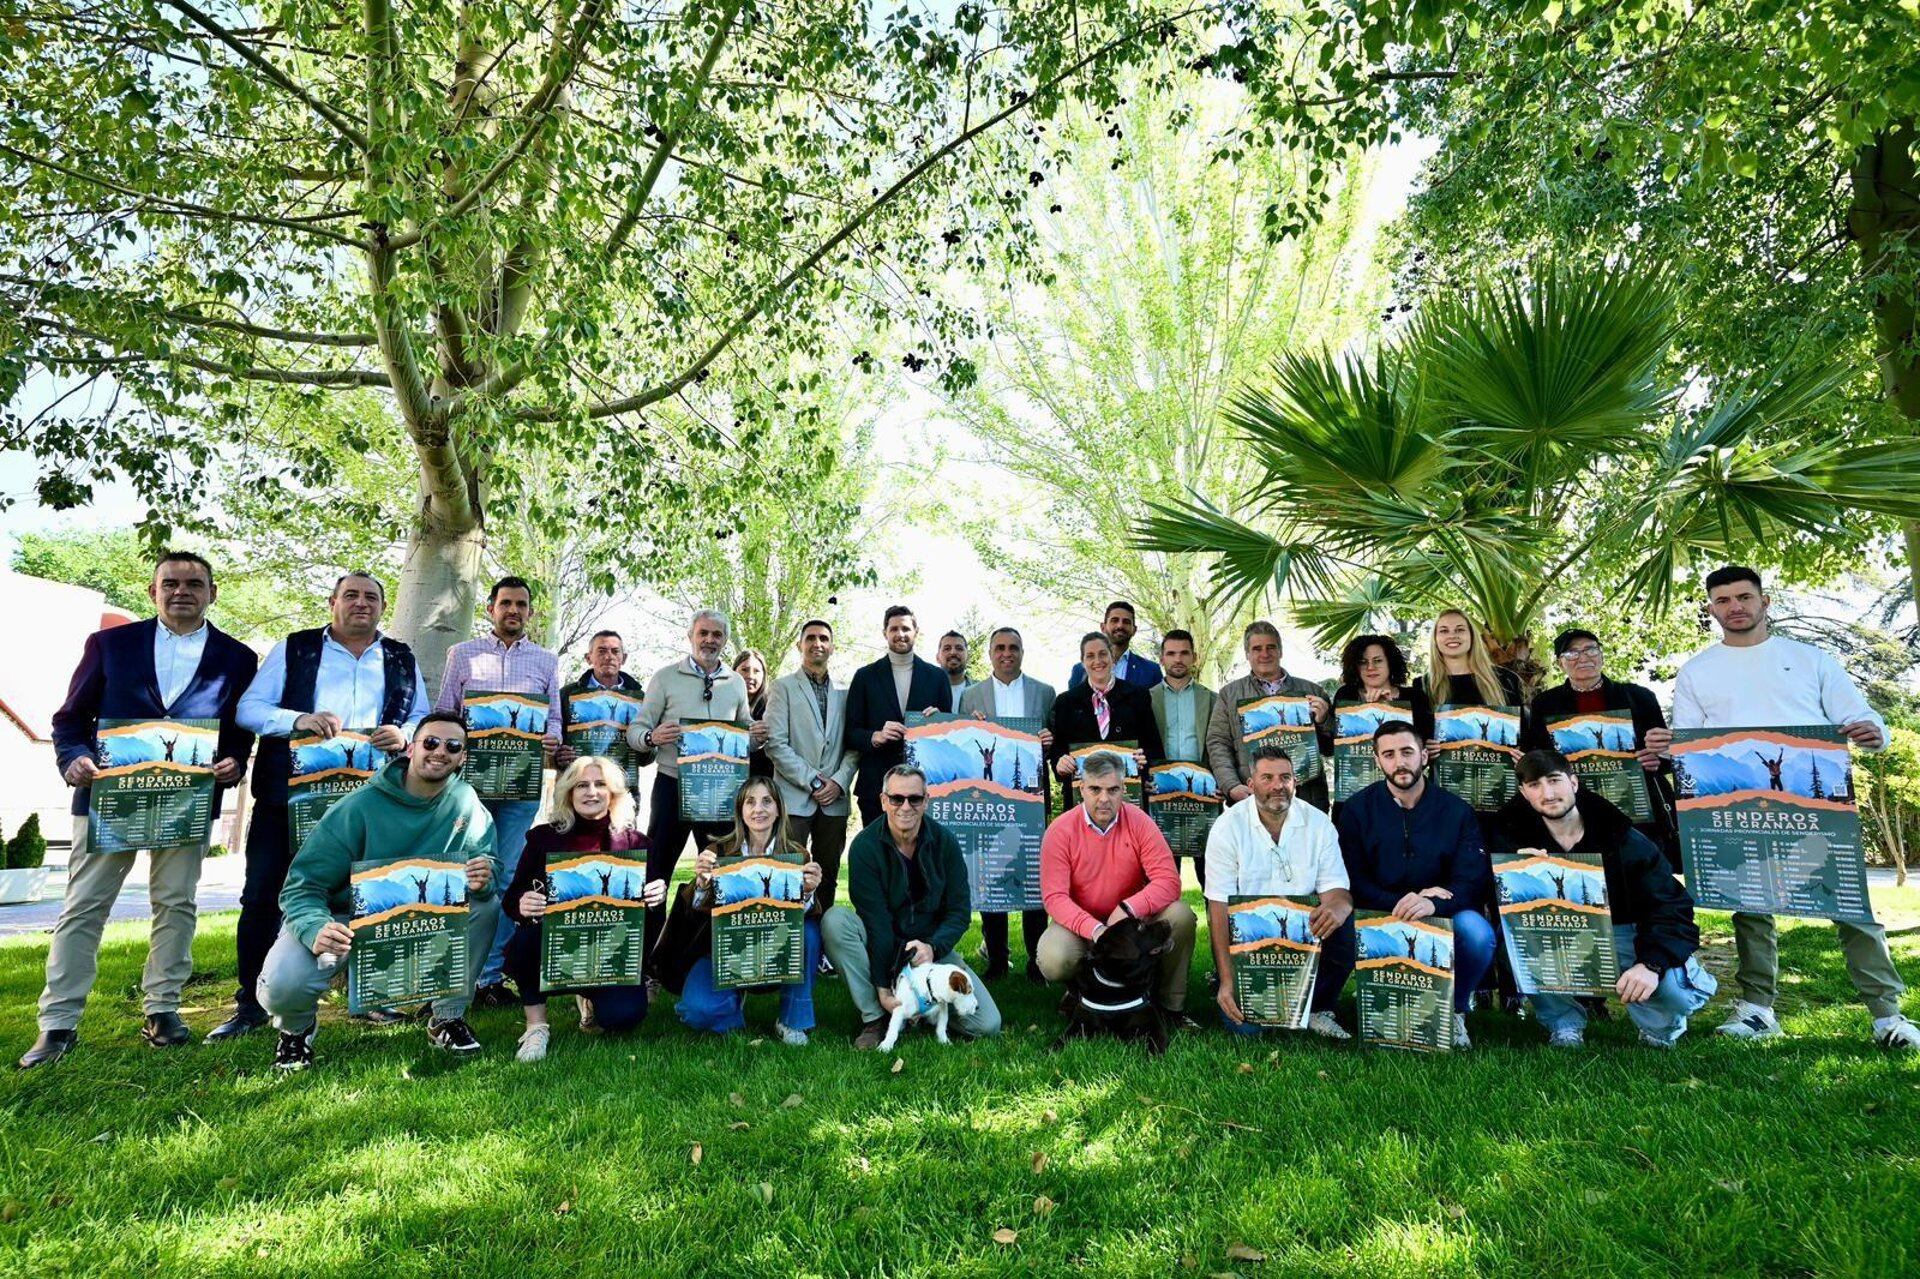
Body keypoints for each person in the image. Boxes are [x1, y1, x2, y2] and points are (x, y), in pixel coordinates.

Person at [21, 552, 259, 1070]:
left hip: (186, 802)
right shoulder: (110, 644)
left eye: (194, 583)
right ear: (152, 592)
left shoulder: (237, 657)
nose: (181, 592)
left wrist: (234, 763)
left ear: (212, 593)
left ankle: (163, 1009)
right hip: (109, 797)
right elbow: (69, 718)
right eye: (170, 583)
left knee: (176, 904)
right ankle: (58, 1023)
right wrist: (74, 756)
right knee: (84, 907)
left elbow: (239, 731)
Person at [1669, 565, 1917, 1049]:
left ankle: (1887, 1015)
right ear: (1711, 608)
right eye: (1722, 600)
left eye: (1744, 597)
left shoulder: (1811, 660)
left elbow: (1861, 717)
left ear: (1765, 601)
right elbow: (1688, 744)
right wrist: (1666, 747)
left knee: (1849, 903)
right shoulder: (1698, 670)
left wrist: (1874, 733)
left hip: (1815, 803)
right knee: (1750, 908)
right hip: (1738, 805)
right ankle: (1758, 1009)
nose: (1734, 607)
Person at [212, 570, 428, 1042]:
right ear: (332, 602)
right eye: (350, 595)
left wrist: (406, 735)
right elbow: (249, 708)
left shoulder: (399, 656)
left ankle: (371, 996)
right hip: (287, 798)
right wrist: (299, 719)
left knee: (371, 894)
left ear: (382, 608)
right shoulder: (295, 648)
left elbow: (420, 717)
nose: (361, 603)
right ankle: (251, 1003)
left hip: (371, 802)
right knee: (264, 895)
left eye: (371, 597)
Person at [257, 712, 502, 1070]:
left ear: (463, 756)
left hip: (420, 920)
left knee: (486, 906)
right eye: (431, 742)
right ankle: (295, 1030)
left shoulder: (467, 803)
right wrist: (315, 928)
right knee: (284, 984)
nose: (440, 752)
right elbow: (302, 886)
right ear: (412, 747)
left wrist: (486, 876)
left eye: (453, 746)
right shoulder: (358, 807)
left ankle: (446, 1017)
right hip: (346, 921)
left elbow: (488, 861)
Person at [1492, 749, 1717, 1048]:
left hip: (1624, 935)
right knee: (1515, 942)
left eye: (1555, 780)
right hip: (1558, 936)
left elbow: (1671, 906)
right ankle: (1564, 1024)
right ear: (1523, 792)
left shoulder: (1623, 839)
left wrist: (1650, 964)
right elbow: (1488, 895)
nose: (1547, 793)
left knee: (1671, 987)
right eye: (1535, 786)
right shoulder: (1510, 839)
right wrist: (1519, 874)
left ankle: (1659, 1027)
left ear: (1574, 783)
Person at [434, 575, 565, 1006]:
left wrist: (549, 739)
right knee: (461, 873)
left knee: (507, 874)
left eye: (521, 604)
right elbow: (443, 715)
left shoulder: (546, 661)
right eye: (505, 602)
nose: (513, 610)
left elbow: (555, 721)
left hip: (521, 788)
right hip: (469, 787)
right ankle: (451, 975)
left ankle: (490, 978)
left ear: (530, 612)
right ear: (491, 608)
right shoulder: (463, 654)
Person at [1336, 721, 1496, 1048]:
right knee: (1334, 923)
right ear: (1377, 759)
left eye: (1407, 752)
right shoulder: (1355, 810)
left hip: (1442, 912)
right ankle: (1323, 1005)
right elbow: (1351, 879)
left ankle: (1454, 1009)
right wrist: (1402, 901)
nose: (1400, 762)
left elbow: (1473, 880)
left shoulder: (1456, 810)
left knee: (1478, 933)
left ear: (1424, 755)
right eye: (1389, 754)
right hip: (1378, 910)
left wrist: (1434, 904)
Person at [824, 765, 1003, 1048]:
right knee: (835, 920)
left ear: (926, 800)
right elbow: (876, 921)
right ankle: (875, 1017)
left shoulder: (945, 842)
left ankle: (919, 1010)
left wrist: (933, 947)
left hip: (929, 951)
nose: (905, 806)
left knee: (987, 1025)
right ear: (883, 801)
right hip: (881, 943)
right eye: (896, 798)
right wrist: (883, 987)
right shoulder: (864, 847)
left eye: (914, 799)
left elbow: (959, 912)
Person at [501, 756, 666, 1062]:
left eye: (600, 784)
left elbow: (654, 922)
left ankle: (590, 999)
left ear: (614, 793)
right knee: (525, 939)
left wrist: (657, 896)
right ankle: (537, 1026)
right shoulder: (543, 838)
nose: (591, 792)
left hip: (610, 955)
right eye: (582, 785)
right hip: (553, 950)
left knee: (624, 1015)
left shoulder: (637, 844)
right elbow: (511, 900)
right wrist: (523, 904)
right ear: (568, 793)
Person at [627, 609, 759, 958]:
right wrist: (652, 736)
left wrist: (755, 736)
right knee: (657, 875)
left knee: (722, 873)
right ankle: (646, 964)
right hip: (673, 786)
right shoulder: (665, 677)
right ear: (690, 636)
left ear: (725, 640)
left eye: (717, 635)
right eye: (703, 633)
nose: (710, 640)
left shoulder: (734, 683)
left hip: (721, 794)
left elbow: (745, 731)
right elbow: (635, 731)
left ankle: (712, 959)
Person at [1204, 745, 1355, 1039]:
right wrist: (1227, 980)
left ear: (1295, 782)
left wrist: (1339, 905)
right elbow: (1218, 907)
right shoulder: (1227, 827)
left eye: (1285, 778)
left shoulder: (1319, 823)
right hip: (1248, 944)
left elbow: (1337, 890)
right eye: (1267, 778)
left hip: (1305, 936)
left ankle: (1317, 1006)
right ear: (1251, 784)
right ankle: (1230, 986)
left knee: (1346, 923)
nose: (1277, 786)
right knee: (1248, 1031)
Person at [1036, 751, 1198, 1025]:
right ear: (1081, 789)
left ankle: (1170, 1006)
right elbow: (1055, 898)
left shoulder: (1140, 822)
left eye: (1113, 790)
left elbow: (1169, 882)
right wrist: (1096, 930)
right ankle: (1080, 993)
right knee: (1054, 956)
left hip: (1132, 925)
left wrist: (1127, 908)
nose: (1104, 799)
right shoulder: (1060, 830)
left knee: (1181, 916)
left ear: (1124, 789)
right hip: (1082, 925)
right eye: (1095, 789)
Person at [673, 777, 825, 1044]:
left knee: (809, 933)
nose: (759, 809)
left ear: (779, 809)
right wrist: (700, 884)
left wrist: (809, 891)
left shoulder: (796, 854)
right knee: (696, 1011)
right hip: (723, 952)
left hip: (776, 951)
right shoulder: (718, 851)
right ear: (741, 810)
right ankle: (732, 1010)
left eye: (767, 801)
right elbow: (692, 916)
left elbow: (808, 914)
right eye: (750, 802)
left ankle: (792, 1020)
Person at [1520, 628, 1676, 868]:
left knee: (1642, 874)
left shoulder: (1639, 696)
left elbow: (1666, 752)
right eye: (1572, 653)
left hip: (1637, 805)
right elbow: (1540, 755)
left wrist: (1657, 758)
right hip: (1578, 808)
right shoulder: (1546, 703)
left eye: (1590, 650)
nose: (1583, 658)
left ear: (1601, 655)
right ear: (1561, 663)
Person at [958, 626, 1059, 981]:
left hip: (1031, 800)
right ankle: (997, 959)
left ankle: (1037, 960)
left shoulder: (1045, 693)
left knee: (1033, 876)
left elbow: (1055, 745)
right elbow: (965, 745)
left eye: (1013, 647)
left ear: (1022, 651)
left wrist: (1049, 742)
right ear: (989, 653)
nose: (1006, 653)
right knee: (991, 877)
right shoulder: (971, 696)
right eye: (999, 647)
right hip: (988, 803)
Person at [765, 620, 859, 910]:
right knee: (787, 873)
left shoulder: (847, 690)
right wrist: (815, 782)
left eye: (823, 638)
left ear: (832, 646)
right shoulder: (782, 688)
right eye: (810, 638)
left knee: (828, 875)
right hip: (794, 799)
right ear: (800, 645)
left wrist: (838, 782)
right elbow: (775, 743)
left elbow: (854, 745)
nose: (817, 643)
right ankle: (789, 939)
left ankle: (824, 939)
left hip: (835, 801)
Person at [844, 606, 952, 824]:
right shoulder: (865, 677)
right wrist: (875, 736)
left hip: (923, 789)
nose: (900, 634)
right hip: (875, 787)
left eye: (905, 628)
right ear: (885, 633)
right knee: (878, 855)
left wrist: (941, 722)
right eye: (893, 629)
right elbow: (850, 732)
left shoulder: (937, 677)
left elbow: (949, 736)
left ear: (916, 632)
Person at [1206, 620, 1330, 809]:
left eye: (1271, 647)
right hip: (1251, 800)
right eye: (1257, 649)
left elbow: (1330, 749)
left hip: (1307, 798)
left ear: (1280, 651)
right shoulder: (1229, 695)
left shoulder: (1312, 691)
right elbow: (1218, 743)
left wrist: (1323, 721)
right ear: (1248, 654)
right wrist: (1231, 786)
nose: (1265, 654)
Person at [1049, 632, 1165, 782]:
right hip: (1081, 795)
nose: (1097, 661)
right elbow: (1057, 752)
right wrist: (1060, 764)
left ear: (1112, 658)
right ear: (1083, 662)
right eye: (1090, 656)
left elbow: (1154, 749)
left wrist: (1145, 759)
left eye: (1103, 654)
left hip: (1128, 793)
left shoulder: (1138, 696)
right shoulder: (1066, 702)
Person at [1150, 629, 1216, 882]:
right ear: (1162, 659)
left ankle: (1216, 922)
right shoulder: (1145, 699)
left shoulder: (1211, 699)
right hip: (1161, 796)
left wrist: (1218, 781)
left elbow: (1219, 747)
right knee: (1163, 878)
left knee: (1210, 877)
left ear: (1194, 657)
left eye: (1184, 653)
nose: (1178, 659)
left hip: (1203, 796)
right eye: (1171, 653)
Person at [554, 630, 642, 771]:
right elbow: (554, 737)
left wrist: (645, 746)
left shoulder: (640, 698)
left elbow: (648, 757)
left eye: (615, 651)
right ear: (588, 658)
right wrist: (558, 755)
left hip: (623, 786)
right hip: (577, 783)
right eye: (601, 651)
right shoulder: (566, 695)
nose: (608, 657)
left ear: (623, 658)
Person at [1411, 609, 1526, 711]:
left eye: (1460, 630)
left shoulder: (1506, 680)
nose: (1452, 636)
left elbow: (1523, 732)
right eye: (1444, 631)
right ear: (1435, 639)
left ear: (1472, 636)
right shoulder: (1423, 685)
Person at [1329, 634, 1435, 741]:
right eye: (1363, 662)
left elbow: (1424, 739)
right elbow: (1331, 747)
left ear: (1390, 662)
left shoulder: (1416, 697)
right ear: (1355, 667)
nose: (1370, 667)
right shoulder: (1346, 694)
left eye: (1378, 661)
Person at [1067, 600, 1163, 690]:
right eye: (1114, 620)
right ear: (1103, 627)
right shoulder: (1080, 670)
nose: (1120, 626)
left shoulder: (1151, 671)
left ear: (1134, 630)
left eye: (1126, 622)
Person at [732, 647, 775, 779]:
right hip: (729, 778)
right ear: (734, 672)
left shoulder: (773, 706)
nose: (750, 676)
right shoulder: (723, 704)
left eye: (756, 671)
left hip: (763, 779)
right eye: (744, 670)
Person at [936, 630, 973, 704]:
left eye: (959, 648)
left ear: (968, 657)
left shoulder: (982, 691)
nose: (953, 652)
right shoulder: (925, 690)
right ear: (937, 658)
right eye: (947, 648)